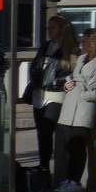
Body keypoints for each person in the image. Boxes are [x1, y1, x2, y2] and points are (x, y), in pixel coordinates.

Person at [53, 30, 96, 192]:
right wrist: (67, 85)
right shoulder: (81, 58)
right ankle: (69, 179)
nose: (81, 44)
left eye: (85, 41)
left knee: (78, 146)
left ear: (94, 43)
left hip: (84, 105)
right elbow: (73, 77)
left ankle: (76, 180)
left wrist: (87, 95)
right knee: (68, 146)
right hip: (70, 104)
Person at [26, 15, 80, 178]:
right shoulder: (45, 46)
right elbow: (35, 65)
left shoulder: (69, 50)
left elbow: (71, 74)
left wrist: (57, 82)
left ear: (61, 30)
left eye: (52, 28)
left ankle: (55, 170)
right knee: (41, 133)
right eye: (48, 28)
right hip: (39, 94)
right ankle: (44, 168)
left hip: (55, 95)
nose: (49, 31)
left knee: (48, 131)